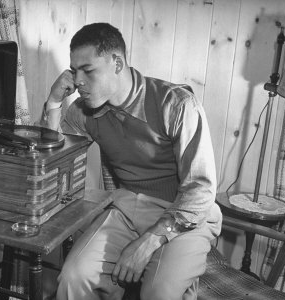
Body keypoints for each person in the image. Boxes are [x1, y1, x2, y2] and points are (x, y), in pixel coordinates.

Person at [41, 22, 222, 300]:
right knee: (73, 276)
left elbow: (201, 190)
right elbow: (53, 164)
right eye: (75, 71)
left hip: (184, 216)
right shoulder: (83, 112)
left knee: (158, 292)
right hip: (126, 207)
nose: (78, 81)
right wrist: (53, 103)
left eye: (87, 70)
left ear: (117, 63)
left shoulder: (176, 105)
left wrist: (148, 242)